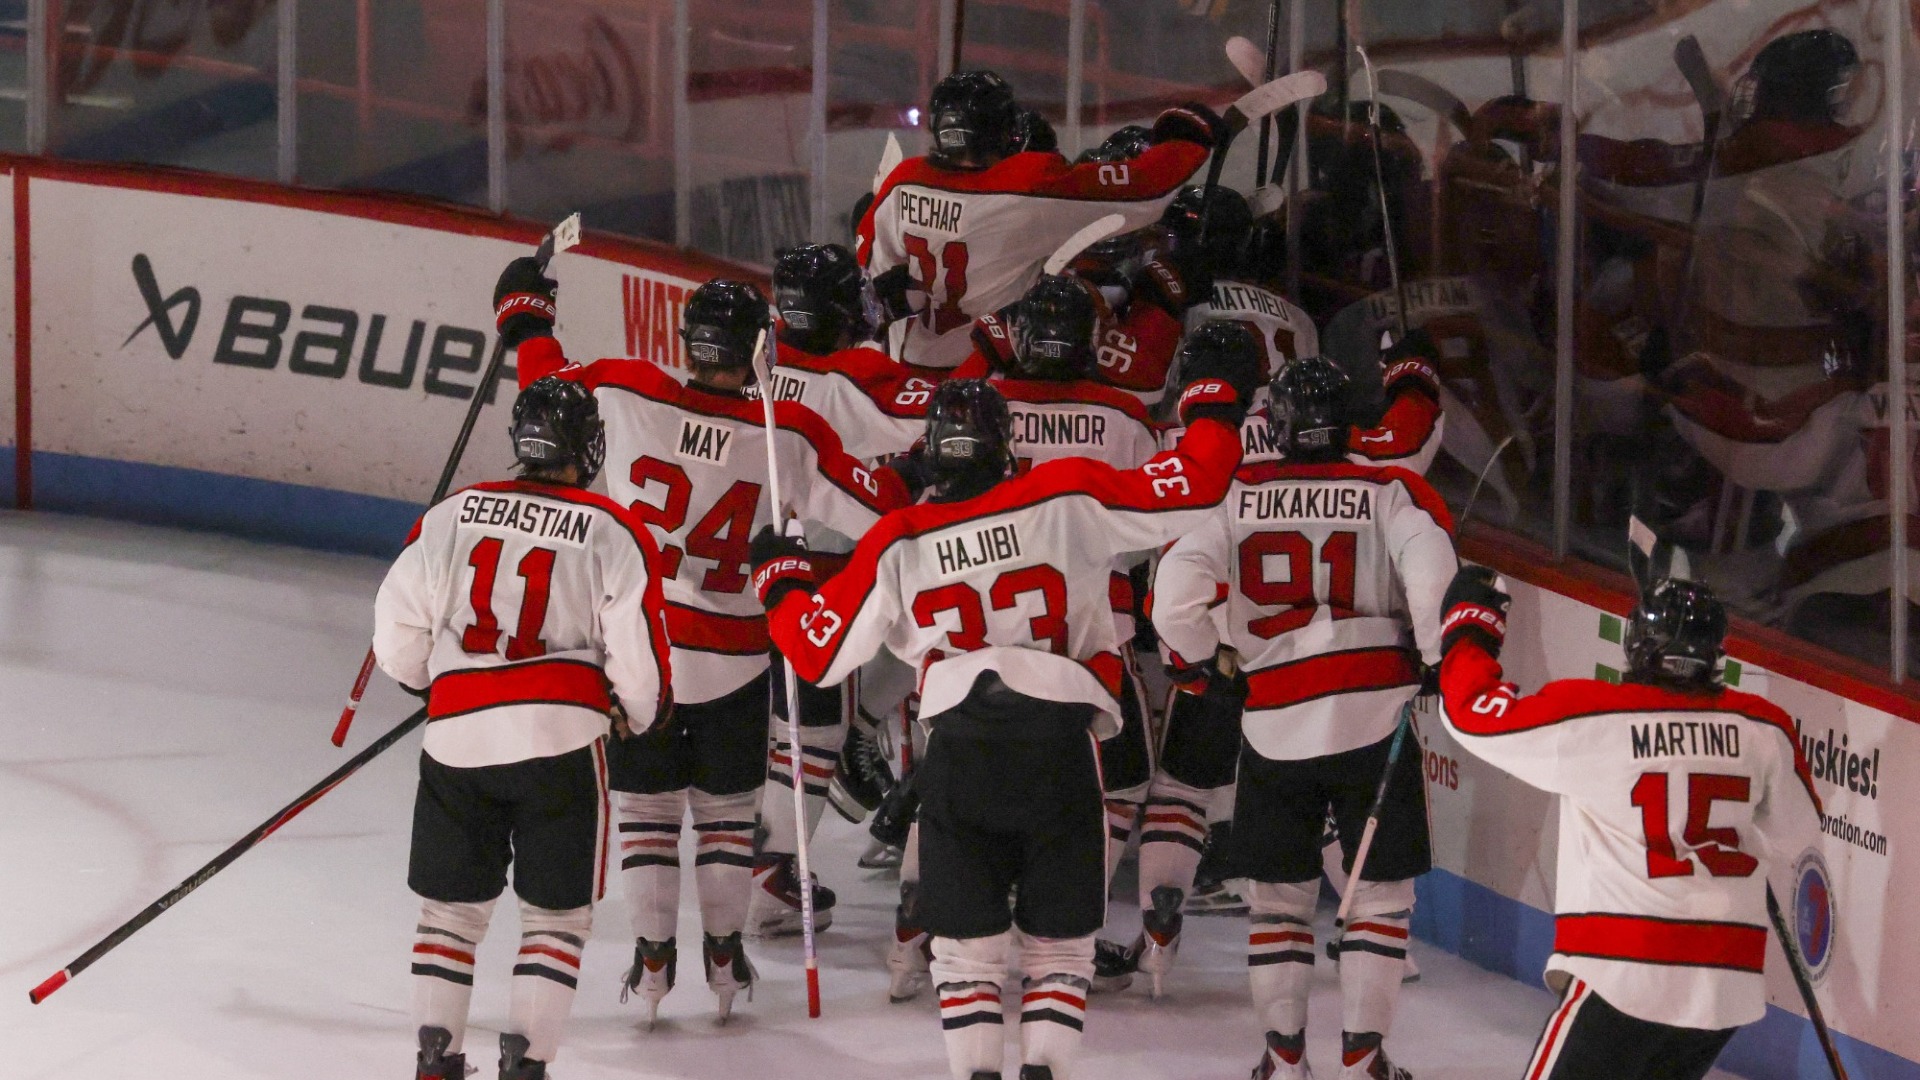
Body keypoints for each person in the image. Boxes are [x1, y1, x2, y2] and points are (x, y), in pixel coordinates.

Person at [750, 359, 1256, 1080]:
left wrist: (783, 582)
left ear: (931, 451)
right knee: (1057, 954)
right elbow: (1198, 484)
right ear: (1005, 446)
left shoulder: (900, 538)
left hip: (960, 759)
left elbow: (814, 653)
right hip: (1063, 755)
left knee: (966, 959)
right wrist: (1213, 405)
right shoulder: (1066, 493)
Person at [499, 259, 910, 1021]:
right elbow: (881, 511)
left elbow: (543, 389)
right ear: (760, 347)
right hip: (737, 659)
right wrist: (915, 474)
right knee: (724, 820)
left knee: (647, 818)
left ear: (687, 342)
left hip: (639, 655)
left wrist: (525, 315)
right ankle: (725, 958)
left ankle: (653, 963)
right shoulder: (790, 430)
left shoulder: (624, 387)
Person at [1151, 357, 1456, 1080]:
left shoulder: (1234, 498)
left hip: (1273, 721)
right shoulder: (1387, 491)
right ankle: (1363, 1060)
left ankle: (1284, 1061)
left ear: (1277, 428)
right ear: (1349, 422)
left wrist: (1211, 666)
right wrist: (1437, 653)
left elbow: (1172, 600)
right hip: (1372, 714)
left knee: (1279, 905)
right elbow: (1433, 565)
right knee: (1380, 899)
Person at [374, 377, 673, 1080]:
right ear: (585, 448)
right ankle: (526, 1067)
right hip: (561, 741)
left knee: (448, 914)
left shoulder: (451, 514)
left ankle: (433, 1060)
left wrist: (440, 684)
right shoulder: (610, 526)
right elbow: (640, 662)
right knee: (554, 921)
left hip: (455, 741)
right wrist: (635, 715)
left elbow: (394, 633)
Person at [1436, 569, 1824, 1079]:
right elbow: (1795, 831)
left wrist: (1470, 632)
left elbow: (1472, 714)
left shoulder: (1596, 716)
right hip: (1724, 983)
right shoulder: (1764, 727)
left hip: (1624, 970)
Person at [859, 69, 1216, 368]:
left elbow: (867, 287)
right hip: (994, 368)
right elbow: (1144, 191)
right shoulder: (1026, 186)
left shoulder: (902, 181)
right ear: (999, 129)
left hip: (908, 371)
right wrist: (1189, 141)